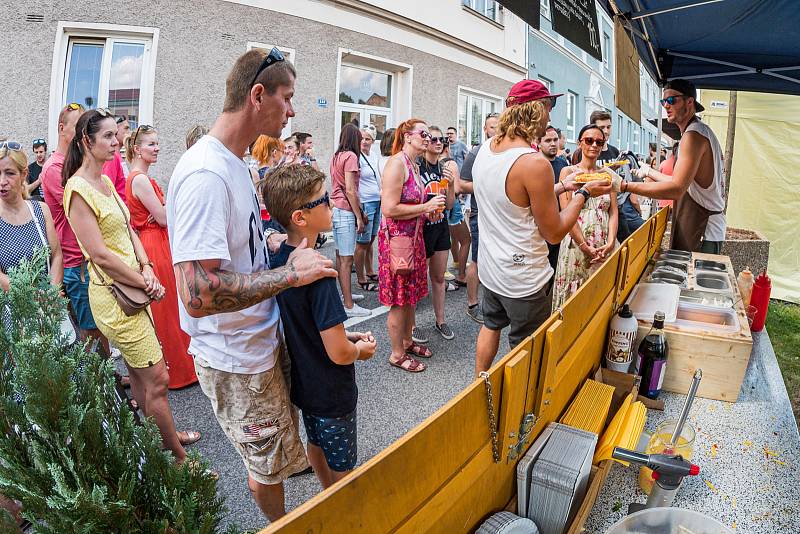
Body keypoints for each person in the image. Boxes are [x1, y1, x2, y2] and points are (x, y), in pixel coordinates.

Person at [167, 48, 337, 521]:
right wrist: (289, 274)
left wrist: (270, 239)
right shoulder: (205, 173)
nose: (293, 111)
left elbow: (230, 244)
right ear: (257, 95)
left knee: (275, 455)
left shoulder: (233, 161)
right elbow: (198, 293)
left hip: (256, 342)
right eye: (288, 98)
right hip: (236, 358)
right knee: (266, 468)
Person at [62, 109, 190, 462]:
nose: (117, 142)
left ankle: (155, 441)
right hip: (117, 298)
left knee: (139, 376)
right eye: (107, 137)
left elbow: (130, 229)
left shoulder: (104, 182)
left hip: (133, 288)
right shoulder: (78, 189)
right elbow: (100, 255)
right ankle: (178, 458)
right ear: (86, 141)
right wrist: (145, 282)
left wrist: (147, 266)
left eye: (116, 136)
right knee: (159, 379)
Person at [472, 80, 613, 374]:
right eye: (549, 107)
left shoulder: (487, 149)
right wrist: (583, 194)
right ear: (536, 110)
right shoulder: (533, 162)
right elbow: (554, 232)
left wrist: (563, 185)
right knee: (528, 353)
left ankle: (478, 386)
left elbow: (514, 197)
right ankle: (522, 413)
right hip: (523, 280)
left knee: (490, 326)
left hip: (491, 269)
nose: (551, 117)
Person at [262, 164, 377, 488]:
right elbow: (340, 353)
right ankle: (341, 506)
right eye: (323, 200)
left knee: (316, 443)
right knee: (342, 463)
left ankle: (326, 495)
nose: (331, 202)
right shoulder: (321, 275)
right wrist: (360, 349)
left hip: (305, 384)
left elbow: (310, 326)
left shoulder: (280, 260)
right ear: (301, 217)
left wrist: (345, 334)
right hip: (331, 390)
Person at [124, 126, 198, 390]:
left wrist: (164, 211)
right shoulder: (140, 179)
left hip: (156, 239)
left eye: (157, 143)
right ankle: (180, 371)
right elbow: (166, 217)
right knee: (167, 309)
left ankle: (179, 367)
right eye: (151, 144)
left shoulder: (140, 177)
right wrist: (167, 209)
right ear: (137, 149)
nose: (157, 148)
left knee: (169, 307)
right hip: (154, 243)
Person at [41, 103, 113, 356]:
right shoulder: (53, 168)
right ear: (62, 129)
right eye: (78, 125)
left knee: (100, 326)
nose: (85, 131)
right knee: (90, 331)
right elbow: (89, 209)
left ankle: (110, 383)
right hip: (76, 263)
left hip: (88, 257)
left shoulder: (75, 164)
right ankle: (104, 386)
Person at [628, 79, 727, 253]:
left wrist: (625, 186)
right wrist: (649, 171)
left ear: (690, 102)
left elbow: (676, 189)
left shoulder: (693, 135)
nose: (666, 105)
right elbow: (680, 182)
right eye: (663, 101)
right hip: (708, 230)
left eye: (672, 100)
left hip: (704, 231)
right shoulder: (701, 131)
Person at [379, 119, 445, 372]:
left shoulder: (413, 165)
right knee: (399, 299)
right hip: (397, 243)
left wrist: (428, 214)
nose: (428, 138)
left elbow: (410, 207)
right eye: (423, 133)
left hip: (413, 238)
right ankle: (397, 354)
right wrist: (425, 207)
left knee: (409, 296)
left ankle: (407, 341)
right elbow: (389, 208)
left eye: (430, 133)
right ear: (407, 136)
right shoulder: (396, 164)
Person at [552, 124, 619, 309]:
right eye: (589, 140)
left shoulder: (607, 175)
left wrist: (612, 241)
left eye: (599, 141)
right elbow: (565, 213)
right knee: (572, 299)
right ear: (580, 143)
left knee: (599, 298)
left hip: (603, 243)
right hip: (576, 245)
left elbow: (613, 211)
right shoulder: (568, 172)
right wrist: (583, 245)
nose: (594, 145)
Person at [0, 141, 63, 292]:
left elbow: (57, 256)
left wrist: (51, 295)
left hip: (48, 310)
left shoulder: (41, 210)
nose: (2, 181)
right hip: (12, 311)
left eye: (10, 173)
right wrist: (31, 298)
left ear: (24, 174)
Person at [456, 112, 499, 324]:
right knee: (478, 259)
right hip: (479, 213)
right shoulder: (476, 152)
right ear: (485, 129)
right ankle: (473, 304)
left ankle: (493, 304)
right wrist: (490, 186)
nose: (496, 131)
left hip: (499, 214)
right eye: (492, 127)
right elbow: (461, 185)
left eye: (499, 127)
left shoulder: (504, 153)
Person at [417, 126, 457, 341]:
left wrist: (451, 185)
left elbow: (449, 204)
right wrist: (425, 211)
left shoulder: (443, 167)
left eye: (442, 139)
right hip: (422, 229)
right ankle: (411, 324)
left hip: (441, 228)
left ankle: (440, 321)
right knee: (417, 278)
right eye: (434, 139)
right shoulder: (417, 167)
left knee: (439, 277)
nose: (439, 142)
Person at [330, 123, 370, 317]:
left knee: (340, 257)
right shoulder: (352, 157)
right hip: (346, 212)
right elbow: (351, 190)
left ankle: (345, 296)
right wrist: (359, 216)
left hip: (336, 210)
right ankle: (349, 305)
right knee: (347, 260)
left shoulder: (336, 155)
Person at [354, 126, 381, 292]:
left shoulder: (374, 155)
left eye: (368, 139)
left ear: (372, 141)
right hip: (366, 202)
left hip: (377, 200)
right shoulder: (357, 157)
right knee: (362, 242)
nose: (364, 141)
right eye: (362, 138)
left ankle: (370, 271)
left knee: (371, 239)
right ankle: (361, 278)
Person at [539, 125, 569, 270]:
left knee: (558, 263)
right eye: (548, 140)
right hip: (541, 224)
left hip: (560, 221)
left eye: (555, 139)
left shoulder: (563, 163)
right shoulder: (535, 164)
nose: (553, 143)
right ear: (539, 142)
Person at [100, 115, 129, 202]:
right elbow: (108, 190)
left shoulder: (118, 156)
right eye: (126, 128)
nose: (128, 132)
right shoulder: (111, 158)